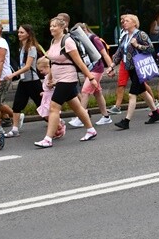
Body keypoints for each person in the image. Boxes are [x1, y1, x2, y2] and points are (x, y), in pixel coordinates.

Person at [35, 16, 99, 148]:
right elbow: (52, 61)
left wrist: (91, 78)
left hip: (68, 78)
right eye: (51, 26)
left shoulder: (68, 41)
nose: (52, 28)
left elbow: (79, 63)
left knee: (54, 108)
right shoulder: (54, 40)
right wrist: (51, 77)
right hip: (59, 79)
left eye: (55, 26)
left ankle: (48, 139)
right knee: (77, 107)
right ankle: (91, 130)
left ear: (62, 27)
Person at [112, 14, 159, 128]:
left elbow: (150, 48)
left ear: (134, 23)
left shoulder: (140, 34)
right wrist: (111, 66)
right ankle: (155, 113)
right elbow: (120, 52)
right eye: (123, 21)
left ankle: (126, 121)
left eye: (127, 21)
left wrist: (137, 45)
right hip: (130, 68)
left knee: (132, 94)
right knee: (143, 92)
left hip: (138, 68)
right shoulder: (125, 36)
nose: (124, 22)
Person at [69, 23, 114, 127]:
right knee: (97, 93)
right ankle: (106, 116)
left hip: (96, 69)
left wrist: (110, 67)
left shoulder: (94, 39)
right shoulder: (84, 40)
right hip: (90, 69)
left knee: (85, 92)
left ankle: (81, 117)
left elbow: (104, 54)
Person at [8, 24, 44, 137]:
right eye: (18, 32)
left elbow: (28, 66)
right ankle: (14, 129)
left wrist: (13, 74)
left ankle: (57, 123)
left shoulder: (32, 48)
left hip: (33, 81)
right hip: (24, 82)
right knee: (17, 105)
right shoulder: (21, 48)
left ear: (28, 34)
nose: (19, 34)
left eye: (22, 32)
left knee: (42, 106)